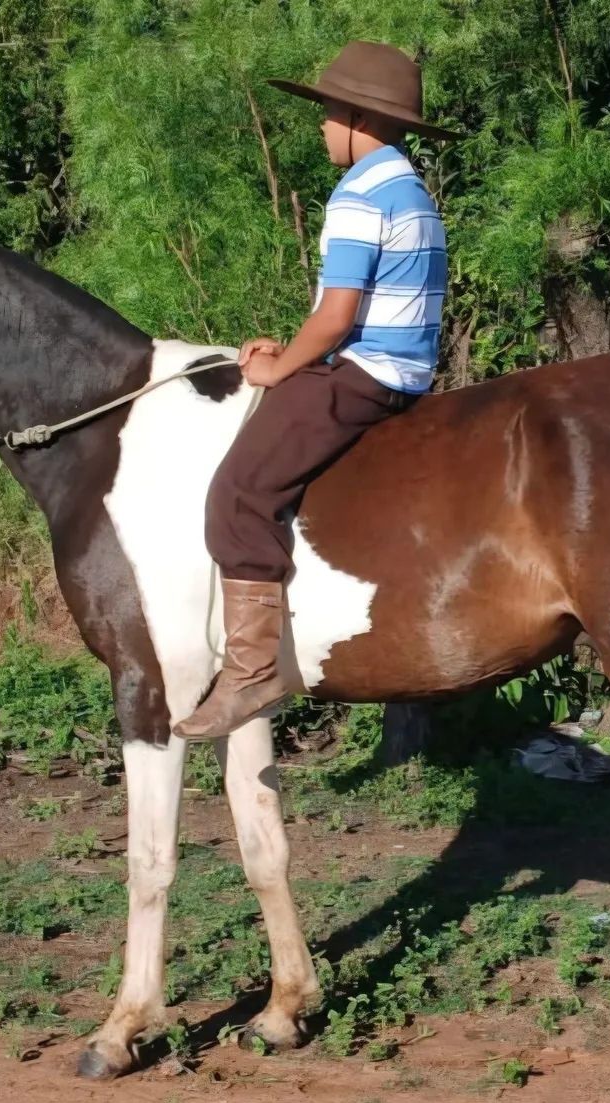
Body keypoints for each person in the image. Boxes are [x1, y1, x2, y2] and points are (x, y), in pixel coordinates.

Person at [174, 40, 459, 740]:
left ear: (360, 117)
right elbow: (356, 312)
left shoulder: (359, 193)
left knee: (238, 492)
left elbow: (335, 318)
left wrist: (276, 369)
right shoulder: (411, 190)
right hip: (406, 370)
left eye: (329, 111)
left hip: (366, 376)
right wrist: (295, 348)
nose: (322, 124)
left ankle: (247, 671)